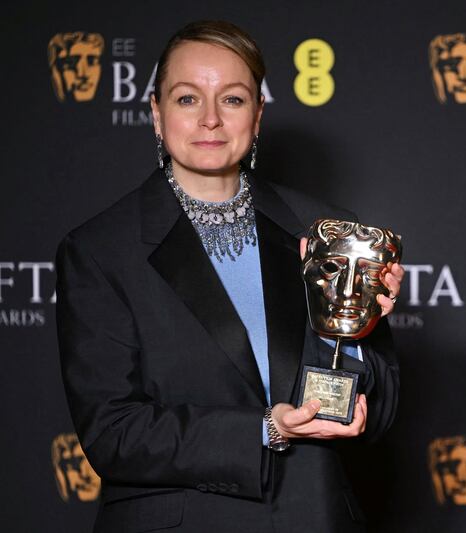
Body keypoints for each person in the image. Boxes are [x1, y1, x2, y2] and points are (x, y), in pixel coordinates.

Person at [56, 20, 404, 533]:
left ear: (258, 115)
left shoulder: (325, 232)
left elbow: (387, 404)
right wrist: (264, 430)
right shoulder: (99, 251)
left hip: (314, 516)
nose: (211, 120)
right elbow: (112, 433)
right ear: (156, 113)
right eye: (188, 99)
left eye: (234, 99)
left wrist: (357, 333)